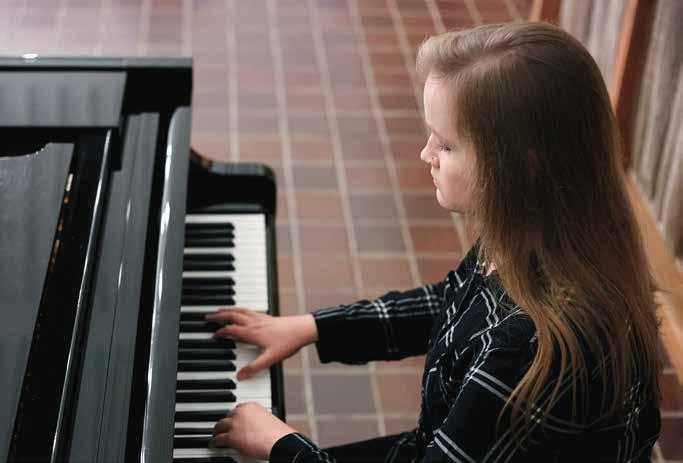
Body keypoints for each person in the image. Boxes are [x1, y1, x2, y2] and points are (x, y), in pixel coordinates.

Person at [205, 21, 662, 462]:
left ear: (521, 166)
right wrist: (313, 327)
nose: (425, 154)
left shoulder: (529, 350)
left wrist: (280, 443)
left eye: (445, 145)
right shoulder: (539, 235)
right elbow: (452, 303)